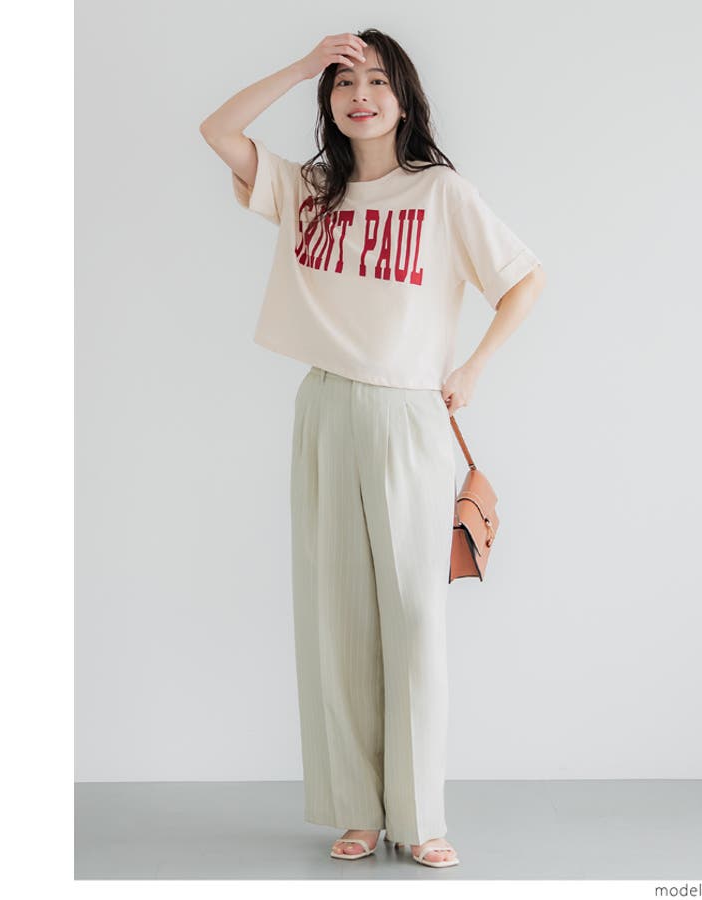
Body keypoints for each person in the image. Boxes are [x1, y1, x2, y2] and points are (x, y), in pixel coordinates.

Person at [199, 28, 546, 869]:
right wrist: (301, 66)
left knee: (416, 618)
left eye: (378, 81)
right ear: (328, 99)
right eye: (344, 82)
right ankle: (356, 808)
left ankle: (418, 817)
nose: (361, 95)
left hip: (407, 414)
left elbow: (524, 279)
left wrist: (472, 366)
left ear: (405, 98)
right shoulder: (309, 190)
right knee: (339, 616)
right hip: (324, 404)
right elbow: (218, 131)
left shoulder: (440, 192)